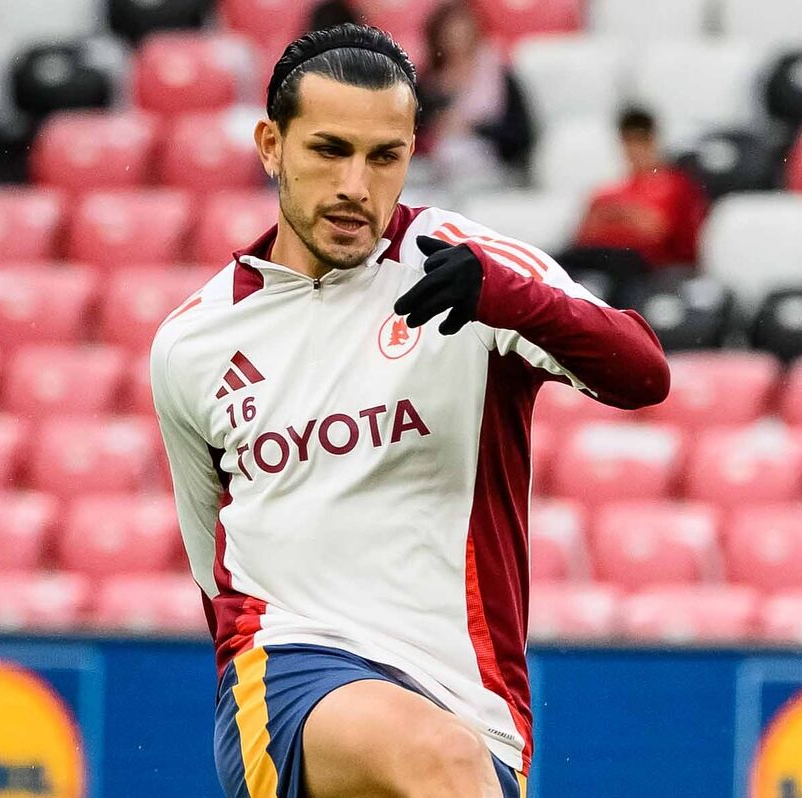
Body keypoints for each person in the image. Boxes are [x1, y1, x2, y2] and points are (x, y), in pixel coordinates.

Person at [150, 24, 668, 798]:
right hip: (289, 672)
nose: (356, 184)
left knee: (449, 757)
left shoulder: (467, 268)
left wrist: (505, 298)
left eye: (383, 156)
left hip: (471, 710)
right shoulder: (194, 342)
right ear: (271, 146)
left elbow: (642, 372)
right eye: (330, 150)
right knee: (439, 759)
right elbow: (213, 569)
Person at [572, 107, 710, 270]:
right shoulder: (606, 192)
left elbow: (658, 232)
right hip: (600, 258)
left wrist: (617, 215)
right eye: (629, 142)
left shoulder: (676, 185)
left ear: (654, 141)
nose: (635, 150)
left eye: (641, 141)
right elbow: (583, 234)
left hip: (647, 267)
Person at [415, 1, 533, 190]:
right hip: (436, 170)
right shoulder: (428, 82)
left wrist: (474, 128)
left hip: (492, 169)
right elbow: (415, 128)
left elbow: (519, 135)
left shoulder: (499, 76)